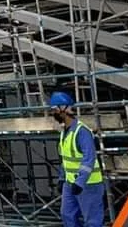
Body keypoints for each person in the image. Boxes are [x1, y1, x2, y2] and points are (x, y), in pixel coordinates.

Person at [50, 92, 104, 227]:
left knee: (92, 221)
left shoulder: (82, 131)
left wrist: (80, 182)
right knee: (67, 214)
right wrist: (62, 179)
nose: (53, 113)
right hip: (70, 183)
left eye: (55, 110)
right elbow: (66, 159)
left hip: (89, 184)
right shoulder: (64, 132)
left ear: (64, 109)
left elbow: (89, 158)